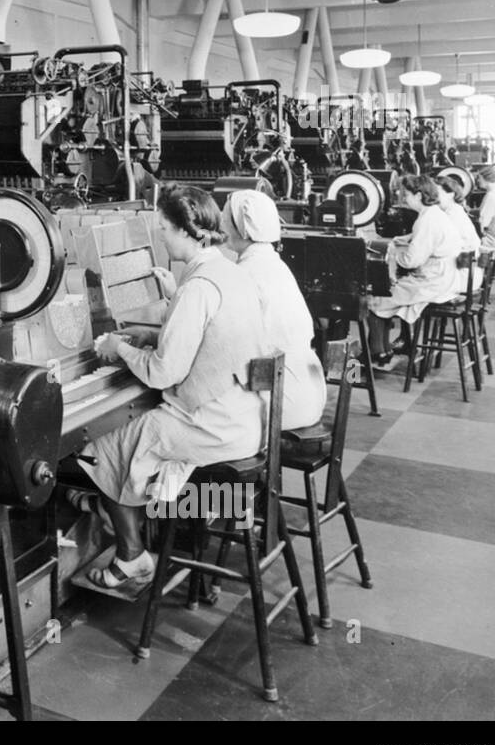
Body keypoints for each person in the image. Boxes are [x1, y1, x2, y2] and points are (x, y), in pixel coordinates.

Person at [72, 185, 268, 598]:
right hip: (244, 418)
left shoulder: (197, 288)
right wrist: (147, 335)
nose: (159, 235)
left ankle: (131, 557)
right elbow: (204, 339)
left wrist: (118, 347)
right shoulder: (229, 272)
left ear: (185, 230)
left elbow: (162, 374)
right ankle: (120, 521)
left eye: (163, 228)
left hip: (211, 427)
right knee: (134, 434)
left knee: (100, 446)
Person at [220, 191, 326, 430]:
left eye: (225, 218)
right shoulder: (276, 266)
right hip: (308, 396)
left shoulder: (246, 274)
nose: (221, 224)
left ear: (244, 229)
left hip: (282, 405)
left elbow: (223, 344)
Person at [367, 175, 461, 368]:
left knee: (375, 297)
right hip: (444, 277)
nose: (404, 199)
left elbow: (411, 261)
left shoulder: (426, 220)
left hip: (433, 283)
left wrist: (392, 254)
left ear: (419, 195)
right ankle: (390, 348)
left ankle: (379, 354)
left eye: (407, 195)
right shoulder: (435, 214)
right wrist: (405, 241)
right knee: (389, 292)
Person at [436, 173, 482, 293]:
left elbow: (442, 244)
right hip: (468, 272)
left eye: (437, 194)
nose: (434, 198)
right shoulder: (454, 210)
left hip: (461, 277)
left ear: (451, 194)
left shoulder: (452, 214)